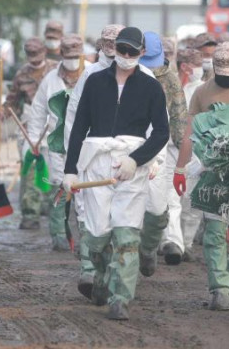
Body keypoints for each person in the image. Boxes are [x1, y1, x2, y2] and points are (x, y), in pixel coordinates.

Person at [64, 26, 169, 320]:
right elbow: (78, 127)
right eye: (121, 50)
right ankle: (99, 280)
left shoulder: (151, 87)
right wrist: (71, 170)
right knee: (96, 235)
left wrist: (136, 160)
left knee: (126, 234)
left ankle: (121, 297)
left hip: (131, 165)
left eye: (131, 52)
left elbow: (161, 132)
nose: (124, 56)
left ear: (141, 53)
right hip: (96, 160)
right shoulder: (95, 81)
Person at [173, 42, 229, 310]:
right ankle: (219, 288)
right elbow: (190, 132)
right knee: (214, 232)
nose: (225, 79)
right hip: (213, 170)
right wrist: (180, 168)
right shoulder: (201, 93)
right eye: (219, 73)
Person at [63, 23, 123, 300]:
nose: (111, 48)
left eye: (116, 42)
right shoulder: (89, 75)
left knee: (119, 218)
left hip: (124, 161)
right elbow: (73, 122)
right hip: (91, 158)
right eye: (107, 42)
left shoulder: (140, 76)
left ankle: (114, 274)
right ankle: (90, 269)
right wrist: (71, 164)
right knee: (88, 214)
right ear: (100, 45)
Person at [26, 34, 89, 249]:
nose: (72, 60)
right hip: (57, 144)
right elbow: (38, 112)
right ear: (61, 55)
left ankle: (87, 235)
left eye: (76, 56)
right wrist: (34, 141)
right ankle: (58, 234)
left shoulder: (93, 74)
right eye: (68, 56)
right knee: (58, 186)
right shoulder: (51, 79)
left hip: (88, 144)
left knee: (87, 189)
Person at [138, 32, 188, 273]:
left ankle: (172, 241)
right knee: (137, 195)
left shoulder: (169, 77)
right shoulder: (129, 74)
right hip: (134, 143)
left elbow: (179, 111)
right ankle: (143, 242)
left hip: (164, 143)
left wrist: (180, 145)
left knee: (169, 195)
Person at [0, 37, 58, 230]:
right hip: (29, 124)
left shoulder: (57, 70)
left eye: (37, 54)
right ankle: (30, 213)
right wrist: (3, 110)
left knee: (52, 167)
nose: (34, 58)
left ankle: (51, 207)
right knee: (30, 167)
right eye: (30, 55)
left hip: (54, 123)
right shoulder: (22, 74)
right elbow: (13, 101)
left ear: (44, 52)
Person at [169, 48, 206, 261]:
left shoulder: (201, 90)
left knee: (191, 201)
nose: (201, 68)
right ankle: (172, 241)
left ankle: (187, 242)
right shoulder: (172, 88)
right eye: (197, 63)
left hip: (195, 150)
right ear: (184, 66)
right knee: (170, 199)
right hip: (170, 149)